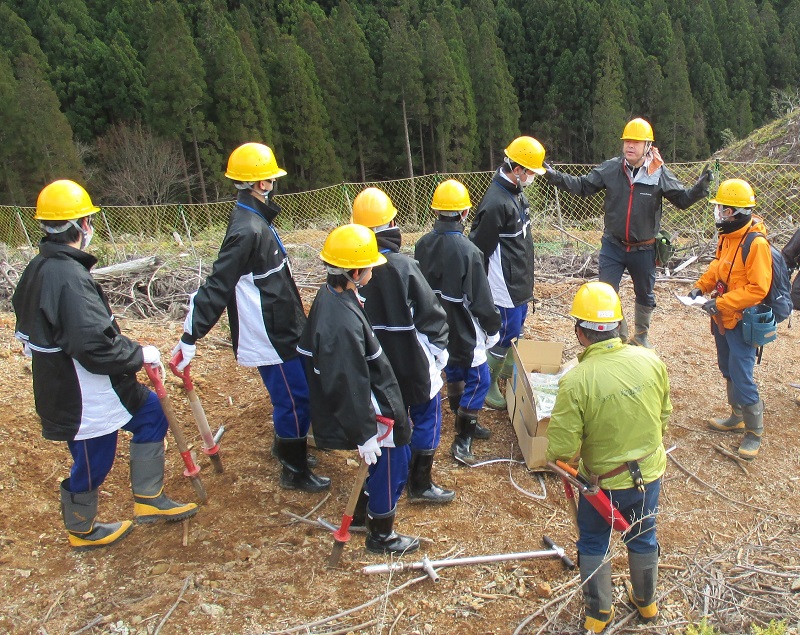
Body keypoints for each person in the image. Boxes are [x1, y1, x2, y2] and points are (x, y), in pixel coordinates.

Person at [12, 180, 198, 551]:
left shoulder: (41, 267)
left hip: (98, 382)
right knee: (93, 457)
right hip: (80, 390)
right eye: (88, 221)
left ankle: (148, 498)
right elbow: (93, 347)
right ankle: (80, 527)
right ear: (81, 225)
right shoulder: (65, 276)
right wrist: (139, 354)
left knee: (150, 415)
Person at [172, 142, 329, 493]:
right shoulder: (246, 230)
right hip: (270, 333)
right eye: (270, 177)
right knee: (293, 398)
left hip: (283, 326)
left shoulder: (255, 219)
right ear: (260, 184)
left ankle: (287, 446)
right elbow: (217, 285)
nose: (273, 182)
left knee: (296, 394)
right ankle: (293, 470)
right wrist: (189, 337)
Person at [545, 281, 671, 632]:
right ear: (619, 325)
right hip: (649, 474)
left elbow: (561, 452)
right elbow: (663, 415)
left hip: (601, 484)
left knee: (593, 542)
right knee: (644, 534)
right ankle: (646, 602)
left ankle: (599, 613)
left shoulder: (577, 381)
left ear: (579, 333)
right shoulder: (650, 360)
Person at [297, 224, 419, 555]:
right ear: (353, 271)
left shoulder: (334, 294)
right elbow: (347, 382)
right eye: (368, 267)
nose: (371, 272)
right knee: (394, 463)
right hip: (375, 409)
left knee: (392, 460)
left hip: (378, 397)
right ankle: (381, 534)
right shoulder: (341, 323)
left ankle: (367, 513)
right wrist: (365, 432)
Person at [544, 118, 712, 348]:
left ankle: (641, 338)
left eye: (636, 142)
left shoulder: (659, 173)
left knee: (645, 294)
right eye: (627, 142)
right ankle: (619, 338)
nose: (630, 146)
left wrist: (698, 190)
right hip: (613, 245)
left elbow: (681, 200)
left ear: (648, 146)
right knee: (606, 294)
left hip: (644, 247)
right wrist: (554, 176)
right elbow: (582, 186)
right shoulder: (612, 168)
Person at [351, 188, 454, 504]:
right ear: (393, 222)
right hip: (412, 361)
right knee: (427, 414)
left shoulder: (351, 269)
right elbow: (431, 315)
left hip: (374, 366)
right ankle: (420, 482)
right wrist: (440, 349)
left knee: (388, 423)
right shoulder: (403, 267)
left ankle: (384, 479)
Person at [415, 180, 501, 465]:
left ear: (436, 212)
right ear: (465, 213)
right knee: (480, 379)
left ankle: (464, 420)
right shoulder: (469, 251)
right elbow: (480, 300)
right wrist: (492, 327)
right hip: (464, 325)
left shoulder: (422, 245)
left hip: (433, 325)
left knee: (452, 368)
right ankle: (463, 437)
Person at [688, 179, 770, 460]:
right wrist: (701, 286)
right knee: (726, 366)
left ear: (737, 212)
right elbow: (718, 268)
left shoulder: (755, 243)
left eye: (723, 209)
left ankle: (754, 431)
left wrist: (721, 302)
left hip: (742, 320)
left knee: (742, 373)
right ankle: (736, 417)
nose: (719, 214)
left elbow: (758, 289)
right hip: (722, 316)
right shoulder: (728, 237)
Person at [469, 136, 546, 410]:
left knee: (518, 325)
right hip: (503, 282)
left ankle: (508, 369)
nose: (534, 177)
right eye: (532, 172)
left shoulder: (515, 191)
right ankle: (486, 383)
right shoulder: (495, 203)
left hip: (520, 277)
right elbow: (478, 249)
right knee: (504, 330)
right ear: (517, 169)